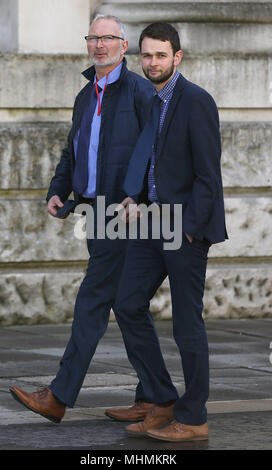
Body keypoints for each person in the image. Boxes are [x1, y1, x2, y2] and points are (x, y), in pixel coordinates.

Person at [9, 14, 155, 424]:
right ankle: (153, 395)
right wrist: (58, 189)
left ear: (124, 46)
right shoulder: (85, 95)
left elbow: (154, 155)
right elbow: (73, 152)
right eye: (93, 37)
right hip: (92, 211)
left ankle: (59, 395)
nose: (99, 45)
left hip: (124, 215)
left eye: (108, 38)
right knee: (130, 307)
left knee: (93, 300)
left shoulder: (142, 93)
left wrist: (138, 198)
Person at [107, 22, 228, 442]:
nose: (152, 62)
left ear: (177, 57)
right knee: (127, 303)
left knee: (185, 323)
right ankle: (162, 399)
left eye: (161, 55)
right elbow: (155, 160)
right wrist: (136, 197)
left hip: (185, 228)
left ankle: (193, 418)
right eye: (147, 54)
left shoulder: (196, 101)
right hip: (152, 222)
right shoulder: (154, 100)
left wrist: (191, 231)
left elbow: (208, 175)